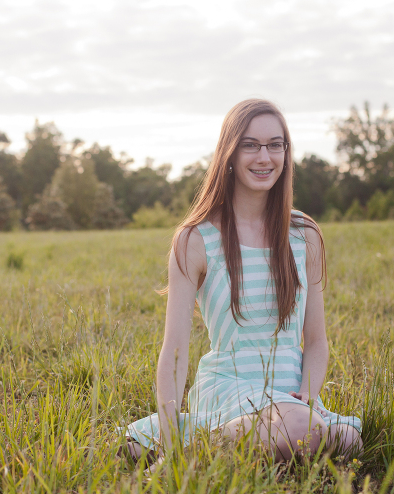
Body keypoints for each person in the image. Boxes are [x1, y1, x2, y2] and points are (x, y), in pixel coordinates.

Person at [121, 99, 362, 466]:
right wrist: (168, 424)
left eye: (275, 144)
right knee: (312, 435)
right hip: (227, 387)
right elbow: (175, 351)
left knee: (347, 439)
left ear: (286, 152)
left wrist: (307, 399)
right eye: (250, 144)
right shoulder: (195, 239)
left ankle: (199, 447)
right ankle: (184, 446)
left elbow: (316, 342)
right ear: (229, 153)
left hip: (293, 395)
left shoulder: (305, 234)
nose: (264, 157)